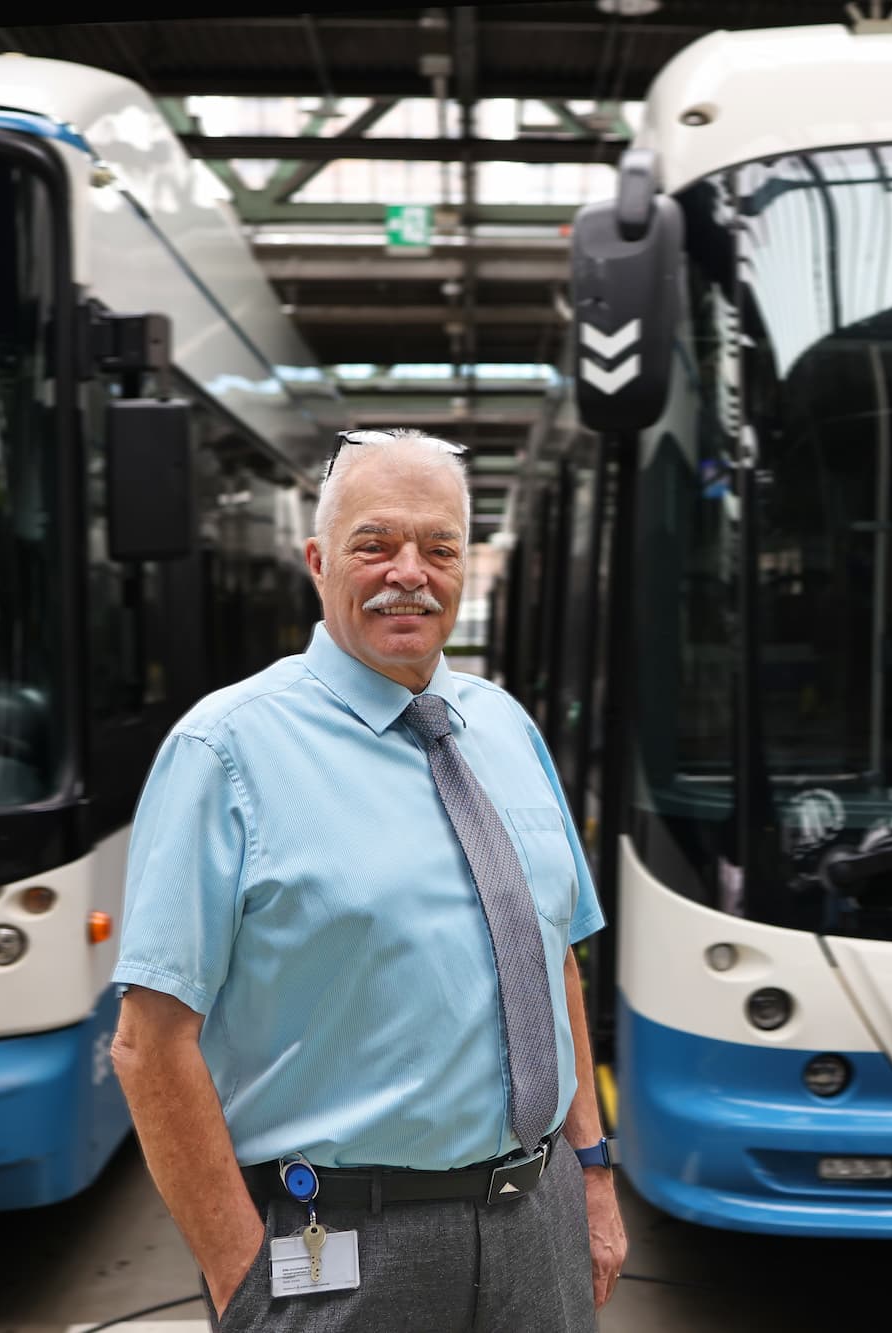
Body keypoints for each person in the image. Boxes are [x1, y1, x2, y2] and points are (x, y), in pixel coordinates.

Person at [109, 428, 626, 1331]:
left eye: (438, 547)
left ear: (467, 566)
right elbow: (149, 1043)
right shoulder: (225, 750)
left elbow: (555, 963)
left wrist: (592, 1175)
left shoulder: (504, 726)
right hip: (335, 1240)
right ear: (317, 560)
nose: (409, 572)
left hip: (537, 1220)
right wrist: (244, 1281)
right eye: (375, 543)